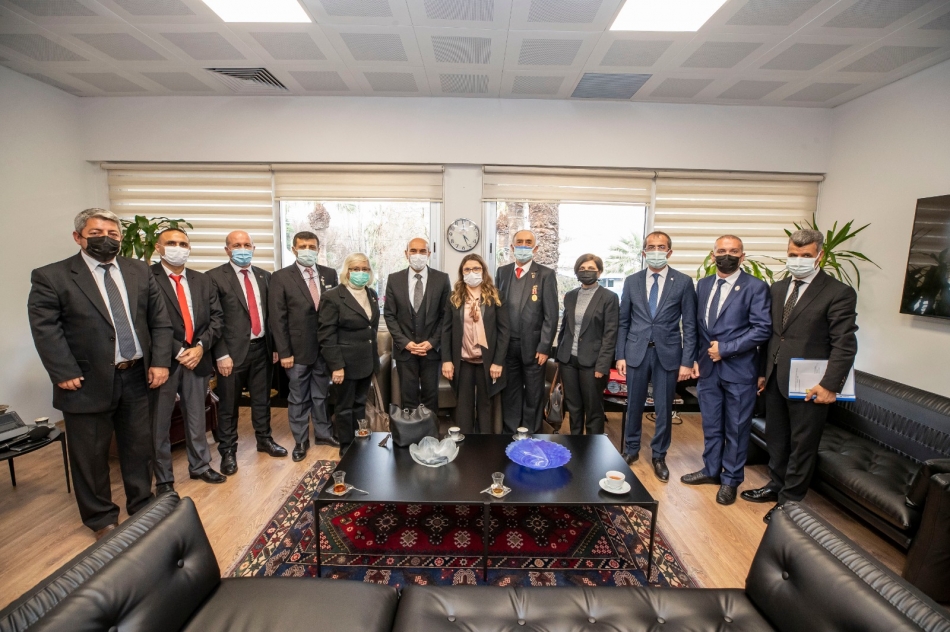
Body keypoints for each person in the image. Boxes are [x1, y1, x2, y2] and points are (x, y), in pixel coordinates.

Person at [28, 208, 172, 539]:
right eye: (96, 234)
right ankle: (102, 518)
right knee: (90, 455)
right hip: (83, 380)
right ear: (78, 237)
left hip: (137, 375)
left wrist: (160, 362)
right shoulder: (53, 276)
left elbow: (159, 320)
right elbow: (46, 329)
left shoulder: (139, 270)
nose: (105, 239)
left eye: (112, 234)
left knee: (139, 447)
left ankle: (142, 504)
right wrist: (63, 370)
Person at [741, 229, 858, 523]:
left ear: (820, 256)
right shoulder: (778, 288)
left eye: (805, 255)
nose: (798, 260)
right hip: (776, 378)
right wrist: (762, 372)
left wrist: (829, 385)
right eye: (793, 254)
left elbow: (844, 344)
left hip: (811, 385)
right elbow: (772, 336)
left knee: (802, 445)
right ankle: (776, 485)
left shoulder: (838, 292)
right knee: (777, 439)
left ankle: (790, 502)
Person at [680, 236, 771, 505]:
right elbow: (699, 327)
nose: (726, 255)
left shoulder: (756, 287)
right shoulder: (704, 284)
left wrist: (726, 349)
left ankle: (730, 480)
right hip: (708, 369)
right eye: (721, 251)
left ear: (742, 256)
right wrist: (696, 359)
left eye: (733, 251)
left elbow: (762, 329)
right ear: (713, 256)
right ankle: (711, 471)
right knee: (711, 425)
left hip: (740, 370)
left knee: (737, 428)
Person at [616, 231, 697, 482]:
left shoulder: (683, 282)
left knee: (664, 408)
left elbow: (690, 325)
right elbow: (623, 322)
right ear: (644, 252)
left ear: (669, 252)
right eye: (651, 247)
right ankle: (631, 449)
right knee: (634, 405)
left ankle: (659, 455)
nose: (656, 251)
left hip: (668, 354)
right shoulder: (632, 281)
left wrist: (687, 361)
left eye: (661, 247)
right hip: (636, 352)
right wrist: (620, 355)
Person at [150, 228, 227, 493]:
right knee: (159, 423)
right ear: (158, 247)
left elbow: (217, 318)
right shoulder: (147, 278)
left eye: (183, 243)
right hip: (164, 361)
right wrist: (178, 351)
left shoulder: (202, 280)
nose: (178, 248)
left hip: (198, 358)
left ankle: (200, 466)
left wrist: (201, 347)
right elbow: (145, 322)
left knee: (196, 417)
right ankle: (164, 479)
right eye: (171, 243)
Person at [207, 230, 287, 476]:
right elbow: (213, 319)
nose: (242, 249)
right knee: (229, 404)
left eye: (246, 245)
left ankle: (264, 439)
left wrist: (275, 347)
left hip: (262, 349)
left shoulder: (265, 276)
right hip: (231, 354)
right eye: (236, 245)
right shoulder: (214, 278)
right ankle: (228, 451)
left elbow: (272, 315)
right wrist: (221, 354)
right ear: (227, 249)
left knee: (262, 399)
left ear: (253, 248)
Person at [269, 231, 340, 461]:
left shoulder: (329, 274)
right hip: (296, 351)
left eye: (312, 247)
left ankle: (323, 433)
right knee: (298, 397)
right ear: (294, 249)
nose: (307, 250)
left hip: (324, 349)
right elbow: (277, 318)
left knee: (321, 395)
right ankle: (300, 440)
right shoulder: (281, 277)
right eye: (303, 246)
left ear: (318, 249)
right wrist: (284, 352)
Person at [494, 230, 558, 433]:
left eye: (528, 242)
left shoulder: (546, 274)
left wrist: (545, 347)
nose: (523, 245)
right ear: (512, 247)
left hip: (534, 347)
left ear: (535, 248)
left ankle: (531, 433)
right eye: (519, 242)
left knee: (533, 393)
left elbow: (551, 315)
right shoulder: (502, 272)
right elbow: (496, 308)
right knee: (510, 392)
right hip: (507, 346)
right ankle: (511, 432)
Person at [317, 253, 380, 453]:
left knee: (360, 404)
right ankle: (346, 448)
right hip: (344, 365)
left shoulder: (371, 294)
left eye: (365, 269)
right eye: (356, 269)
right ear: (347, 271)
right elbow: (326, 335)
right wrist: (336, 366)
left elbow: (371, 328)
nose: (361, 273)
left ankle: (359, 443)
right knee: (344, 407)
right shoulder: (332, 296)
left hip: (366, 362)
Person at [442, 254, 510, 435]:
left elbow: (504, 332)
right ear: (462, 273)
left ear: (483, 271)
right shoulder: (454, 297)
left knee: (485, 408)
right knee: (463, 409)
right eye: (467, 269)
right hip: (463, 361)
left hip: (487, 363)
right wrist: (446, 360)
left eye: (476, 268)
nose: (472, 272)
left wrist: (498, 362)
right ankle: (465, 446)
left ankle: (484, 446)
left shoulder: (496, 296)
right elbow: (446, 331)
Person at [384, 237, 450, 413]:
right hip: (405, 351)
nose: (418, 255)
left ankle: (430, 430)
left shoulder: (442, 279)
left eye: (422, 251)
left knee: (431, 397)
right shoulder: (394, 279)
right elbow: (389, 315)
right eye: (413, 251)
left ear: (429, 253)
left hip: (431, 352)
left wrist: (433, 342)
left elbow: (445, 316)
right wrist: (405, 342)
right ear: (406, 254)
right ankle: (410, 430)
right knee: (408, 398)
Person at [555, 254, 619, 435]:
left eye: (591, 269)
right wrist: (560, 356)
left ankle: (593, 446)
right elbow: (565, 327)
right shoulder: (570, 296)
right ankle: (576, 443)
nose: (586, 272)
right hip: (568, 361)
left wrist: (602, 365)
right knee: (573, 407)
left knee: (593, 409)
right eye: (582, 269)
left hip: (593, 363)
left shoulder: (609, 297)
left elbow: (610, 334)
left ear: (599, 272)